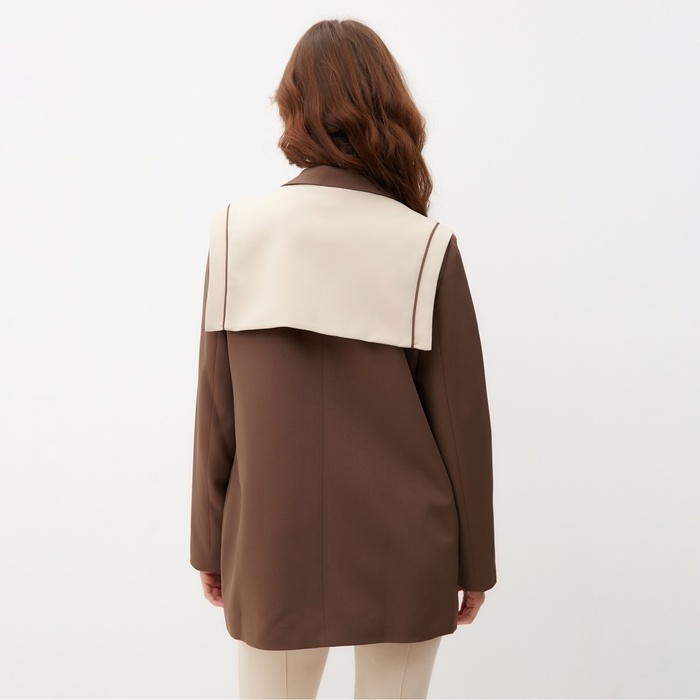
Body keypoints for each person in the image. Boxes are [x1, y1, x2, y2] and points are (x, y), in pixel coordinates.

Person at [190, 17, 497, 700]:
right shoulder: (425, 245)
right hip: (406, 548)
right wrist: (475, 561)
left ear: (294, 106)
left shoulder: (237, 235)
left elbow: (218, 411)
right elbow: (461, 424)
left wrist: (209, 544)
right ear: (390, 106)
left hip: (271, 543)